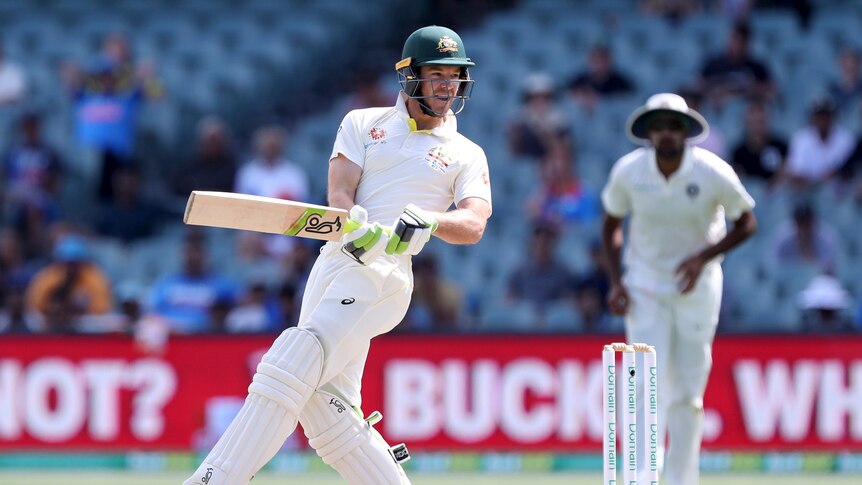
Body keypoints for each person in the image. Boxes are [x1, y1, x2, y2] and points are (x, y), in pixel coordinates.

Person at [184, 25, 491, 485]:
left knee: (295, 357)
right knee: (328, 410)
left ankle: (211, 480)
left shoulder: (467, 154)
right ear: (409, 78)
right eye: (437, 74)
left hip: (386, 273)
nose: (448, 85)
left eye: (455, 76)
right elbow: (339, 194)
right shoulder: (362, 124)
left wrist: (430, 220)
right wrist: (356, 224)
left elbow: (474, 223)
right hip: (335, 262)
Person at [601, 93, 757, 485]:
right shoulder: (629, 171)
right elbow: (610, 225)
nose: (666, 134)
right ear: (648, 133)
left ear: (686, 131)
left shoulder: (712, 171)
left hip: (697, 289)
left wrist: (703, 257)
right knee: (643, 384)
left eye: (674, 126)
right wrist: (617, 281)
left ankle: (682, 480)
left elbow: (746, 222)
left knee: (687, 394)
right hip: (644, 286)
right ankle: (641, 476)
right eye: (658, 127)